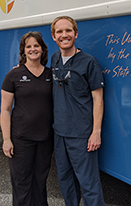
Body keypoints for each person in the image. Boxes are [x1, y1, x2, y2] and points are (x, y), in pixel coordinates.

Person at [51, 16, 105, 206]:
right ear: (53, 36)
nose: (64, 35)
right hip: (60, 132)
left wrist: (95, 132)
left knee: (89, 183)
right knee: (65, 180)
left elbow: (98, 98)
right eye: (59, 32)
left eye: (68, 31)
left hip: (81, 134)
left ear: (76, 33)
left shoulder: (89, 62)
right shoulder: (55, 58)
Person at [0, 31, 54, 206]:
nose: (33, 49)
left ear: (42, 49)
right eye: (28, 46)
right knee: (22, 182)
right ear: (23, 51)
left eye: (36, 45)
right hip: (21, 139)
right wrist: (6, 139)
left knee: (40, 181)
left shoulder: (50, 75)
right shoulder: (13, 76)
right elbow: (5, 110)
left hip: (45, 139)